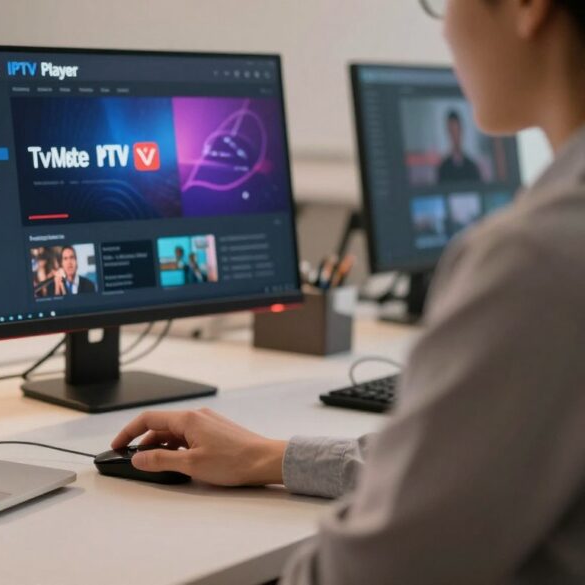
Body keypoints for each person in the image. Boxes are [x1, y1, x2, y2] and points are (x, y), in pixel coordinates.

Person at [112, 0, 585, 582]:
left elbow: (372, 570)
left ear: (527, 7)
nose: (445, 28)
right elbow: (465, 468)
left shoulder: (534, 259)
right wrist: (270, 457)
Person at [436, 109, 484, 182]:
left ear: (461, 131)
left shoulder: (472, 167)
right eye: (452, 131)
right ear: (448, 133)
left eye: (457, 130)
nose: (455, 136)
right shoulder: (443, 168)